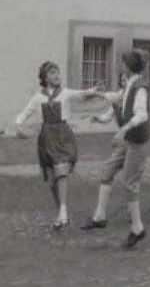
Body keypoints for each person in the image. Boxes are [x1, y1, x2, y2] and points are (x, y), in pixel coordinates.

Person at [80, 49, 150, 249]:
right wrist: (99, 96)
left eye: (123, 63)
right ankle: (100, 216)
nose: (120, 67)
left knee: (130, 183)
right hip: (129, 139)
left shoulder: (140, 87)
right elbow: (117, 97)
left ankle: (137, 228)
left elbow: (141, 115)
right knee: (107, 171)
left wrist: (124, 130)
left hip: (137, 141)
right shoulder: (129, 85)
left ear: (129, 66)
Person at [15, 61, 99, 230]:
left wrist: (93, 91)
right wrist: (19, 127)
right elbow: (23, 115)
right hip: (47, 138)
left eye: (58, 73)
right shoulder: (38, 98)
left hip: (63, 136)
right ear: (45, 77)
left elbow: (81, 94)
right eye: (53, 73)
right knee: (53, 180)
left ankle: (63, 211)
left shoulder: (65, 93)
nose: (57, 76)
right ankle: (61, 212)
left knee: (62, 172)